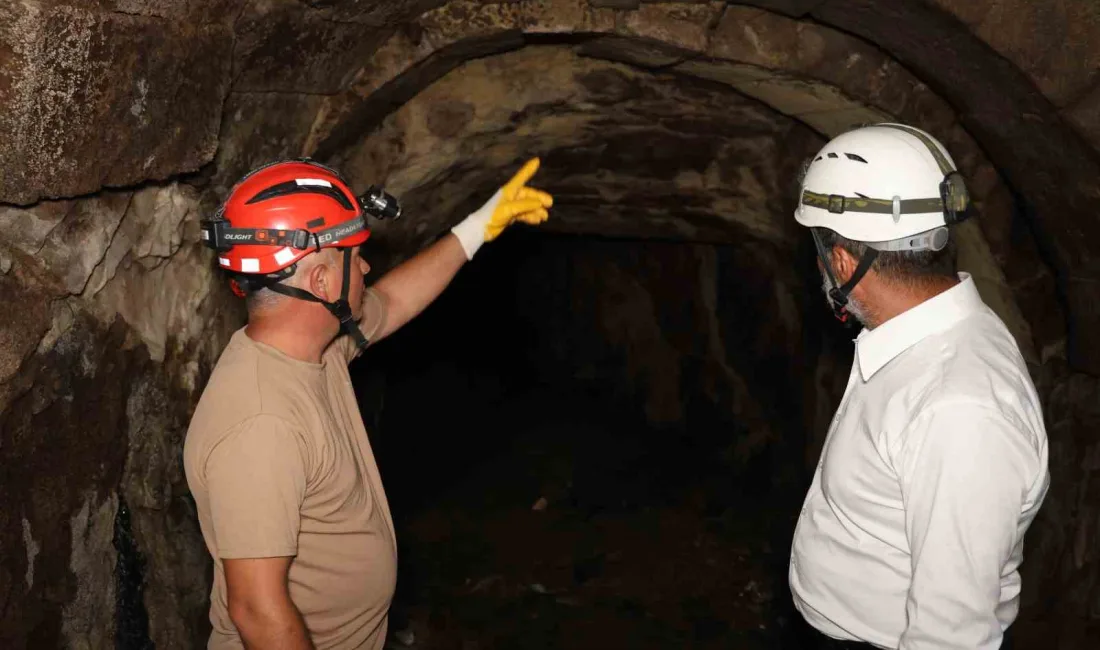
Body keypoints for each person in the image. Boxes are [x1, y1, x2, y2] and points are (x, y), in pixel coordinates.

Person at [183, 157, 553, 650]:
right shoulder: (261, 423)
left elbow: (393, 302)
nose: (365, 265)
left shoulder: (317, 349)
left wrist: (478, 226)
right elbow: (257, 613)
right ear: (319, 283)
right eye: (353, 255)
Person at [787, 123, 1050, 649]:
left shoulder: (958, 410)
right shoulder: (921, 339)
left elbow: (951, 635)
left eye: (818, 249)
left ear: (841, 260)